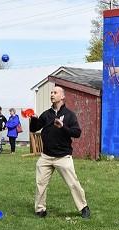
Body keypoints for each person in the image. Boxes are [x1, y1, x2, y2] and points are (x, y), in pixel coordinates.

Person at [29, 86, 90, 219]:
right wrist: (34, 119)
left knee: (73, 183)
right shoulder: (46, 114)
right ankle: (40, 209)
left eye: (55, 92)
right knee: (40, 184)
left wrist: (63, 127)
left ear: (62, 96)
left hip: (63, 157)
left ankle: (83, 207)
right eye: (51, 92)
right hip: (46, 156)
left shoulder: (69, 115)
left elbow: (77, 133)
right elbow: (34, 129)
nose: (52, 94)